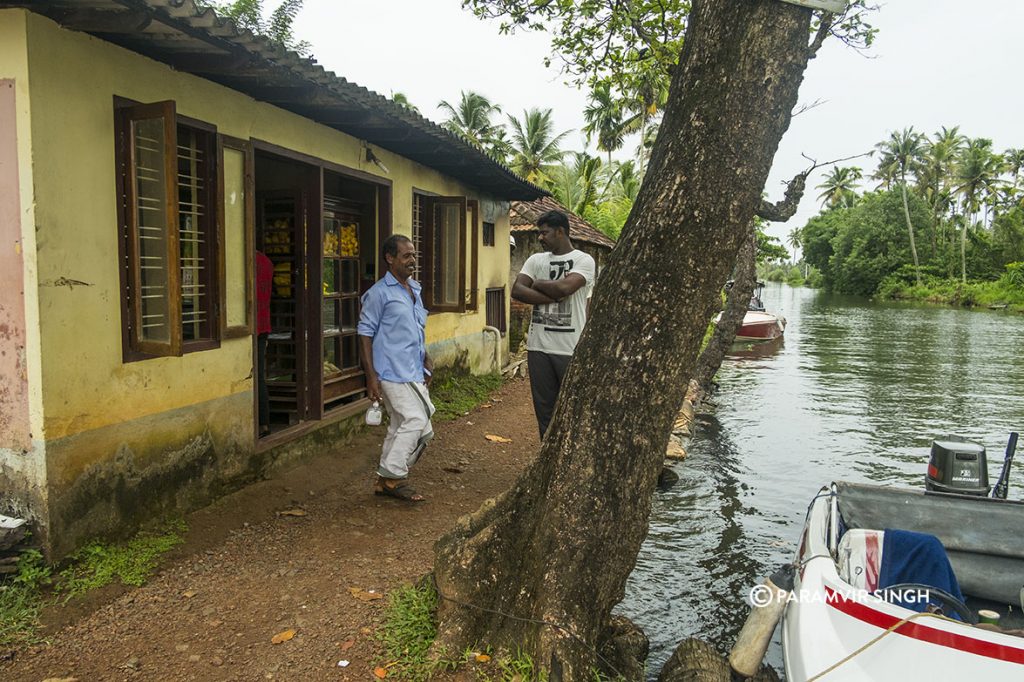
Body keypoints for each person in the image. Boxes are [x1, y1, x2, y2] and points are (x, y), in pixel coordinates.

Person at [357, 234, 435, 502]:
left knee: (401, 423)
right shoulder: (379, 293)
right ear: (390, 258)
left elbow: (416, 328)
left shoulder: (415, 289)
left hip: (413, 369)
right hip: (390, 371)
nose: (412, 260)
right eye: (406, 255)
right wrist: (371, 377)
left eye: (413, 255)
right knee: (418, 420)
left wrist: (426, 357)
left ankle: (384, 480)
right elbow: (365, 334)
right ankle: (393, 476)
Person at [512, 210, 596, 438]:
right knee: (545, 412)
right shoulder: (535, 260)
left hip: (570, 348)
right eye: (540, 233)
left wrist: (537, 283)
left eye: (545, 233)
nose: (540, 238)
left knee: (572, 409)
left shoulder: (584, 260)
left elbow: (565, 288)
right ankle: (545, 460)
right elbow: (517, 290)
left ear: (561, 232)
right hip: (539, 348)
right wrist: (552, 295)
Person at [255, 249, 274, 438]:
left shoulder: (245, 262)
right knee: (260, 376)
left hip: (251, 326)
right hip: (263, 325)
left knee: (255, 378)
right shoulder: (267, 262)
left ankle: (259, 423)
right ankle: (264, 423)